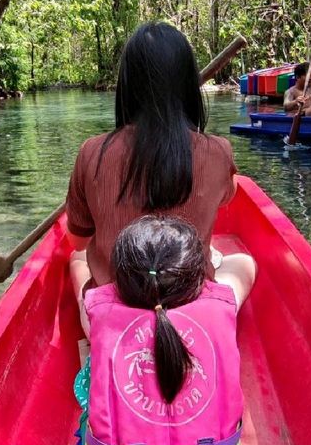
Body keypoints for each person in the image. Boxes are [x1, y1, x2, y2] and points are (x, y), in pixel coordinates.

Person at [75, 216, 256, 445]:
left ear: (120, 283)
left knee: (86, 385)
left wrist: (77, 260)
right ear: (197, 279)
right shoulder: (223, 305)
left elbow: (81, 281)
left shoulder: (97, 315)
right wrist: (211, 259)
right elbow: (245, 266)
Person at [66, 22, 238, 296]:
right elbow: (229, 194)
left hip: (113, 320)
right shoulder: (219, 151)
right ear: (187, 86)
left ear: (126, 87)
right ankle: (222, 316)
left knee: (77, 260)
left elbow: (77, 238)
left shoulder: (91, 153)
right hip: (190, 312)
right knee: (243, 265)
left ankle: (90, 315)